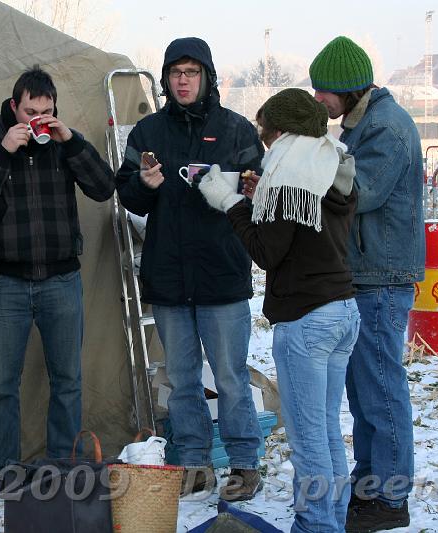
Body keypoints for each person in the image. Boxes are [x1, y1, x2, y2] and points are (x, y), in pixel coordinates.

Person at [199, 88, 360, 531]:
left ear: (284, 131)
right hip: (343, 311)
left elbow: (268, 252)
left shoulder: (290, 178)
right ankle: (332, 522)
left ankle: (315, 527)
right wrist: (260, 199)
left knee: (309, 441)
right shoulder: (331, 166)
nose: (267, 144)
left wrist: (230, 203)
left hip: (307, 319)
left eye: (267, 134)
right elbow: (306, 234)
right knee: (326, 432)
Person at [115, 37, 264, 500]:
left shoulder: (237, 130)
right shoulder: (147, 132)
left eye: (191, 72)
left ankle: (244, 464)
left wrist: (247, 188)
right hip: (169, 275)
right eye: (175, 72)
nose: (183, 80)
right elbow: (127, 193)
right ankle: (195, 463)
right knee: (181, 380)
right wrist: (144, 183)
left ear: (207, 77)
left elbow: (256, 192)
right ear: (165, 79)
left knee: (231, 377)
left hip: (222, 274)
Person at [0, 65, 115, 494]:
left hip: (62, 281)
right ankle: (1, 472)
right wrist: (4, 151)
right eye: (30, 111)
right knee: (2, 386)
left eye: (46, 111)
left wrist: (73, 141)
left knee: (68, 381)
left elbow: (104, 188)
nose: (38, 119)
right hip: (4, 284)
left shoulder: (63, 141)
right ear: (13, 106)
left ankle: (62, 469)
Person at [309, 36, 425, 532]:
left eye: (324, 92)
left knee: (380, 389)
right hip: (363, 274)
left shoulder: (385, 128)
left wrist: (303, 169)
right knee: (363, 392)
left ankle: (391, 498)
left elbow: (361, 192)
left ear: (351, 88)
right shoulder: (360, 124)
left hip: (381, 278)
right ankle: (369, 484)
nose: (318, 100)